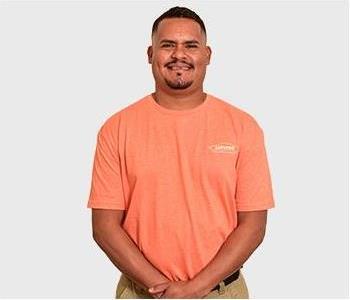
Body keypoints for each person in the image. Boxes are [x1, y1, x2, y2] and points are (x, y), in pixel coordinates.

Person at [87, 6, 275, 299]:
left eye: (190, 45)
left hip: (222, 293)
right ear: (151, 54)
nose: (179, 55)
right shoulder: (117, 128)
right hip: (141, 293)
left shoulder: (243, 127)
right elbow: (104, 227)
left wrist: (193, 289)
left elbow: (253, 226)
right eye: (167, 45)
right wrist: (164, 290)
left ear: (207, 55)